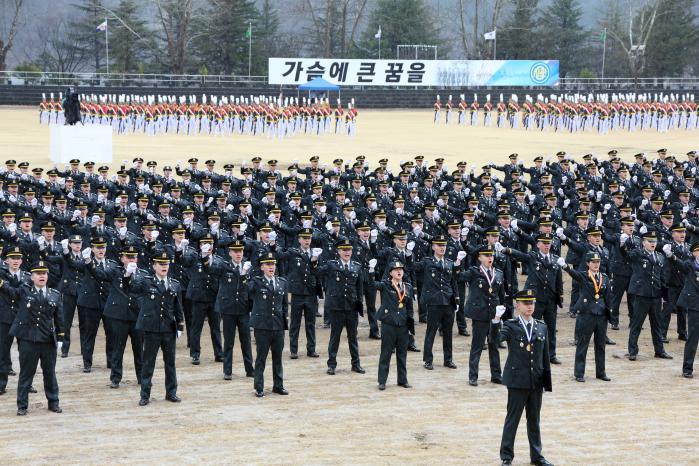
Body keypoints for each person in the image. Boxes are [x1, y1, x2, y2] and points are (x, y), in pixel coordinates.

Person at [491, 289, 553, 466]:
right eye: (526, 303)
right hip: (517, 381)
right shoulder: (511, 325)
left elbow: (545, 356)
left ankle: (537, 455)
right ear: (517, 305)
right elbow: (495, 341)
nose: (529, 307)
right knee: (513, 420)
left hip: (536, 381)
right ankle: (506, 456)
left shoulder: (541, 326)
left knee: (534, 420)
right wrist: (496, 320)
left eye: (532, 303)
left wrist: (546, 382)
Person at [1, 261, 64, 416]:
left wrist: (62, 337)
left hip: (48, 340)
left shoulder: (55, 295)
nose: (41, 276)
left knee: (50, 373)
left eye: (44, 274)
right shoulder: (24, 290)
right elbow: (10, 291)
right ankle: (22, 405)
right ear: (32, 277)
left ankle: (53, 402)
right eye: (38, 274)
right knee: (26, 374)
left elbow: (60, 318)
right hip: (29, 339)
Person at [132, 252, 185, 406]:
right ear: (154, 266)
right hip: (152, 328)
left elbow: (178, 306)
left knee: (170, 362)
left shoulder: (174, 284)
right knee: (148, 363)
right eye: (160, 264)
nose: (164, 267)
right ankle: (145, 395)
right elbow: (133, 289)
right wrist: (129, 274)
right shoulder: (146, 282)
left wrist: (180, 325)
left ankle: (171, 392)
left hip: (168, 328)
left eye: (166, 264)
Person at [558, 252, 612, 382]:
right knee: (583, 344)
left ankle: (601, 372)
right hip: (587, 314)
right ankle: (579, 373)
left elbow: (608, 297)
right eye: (593, 262)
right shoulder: (583, 275)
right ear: (588, 263)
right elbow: (573, 273)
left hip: (601, 315)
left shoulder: (604, 277)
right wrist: (565, 266)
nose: (596, 264)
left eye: (598, 262)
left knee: (601, 345)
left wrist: (609, 314)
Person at [315, 239, 365, 375]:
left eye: (349, 249)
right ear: (338, 251)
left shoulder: (356, 266)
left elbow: (359, 289)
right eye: (344, 249)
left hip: (352, 307)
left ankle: (356, 364)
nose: (347, 252)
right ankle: (331, 365)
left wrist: (360, 305)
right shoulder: (332, 265)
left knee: (353, 337)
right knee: (335, 337)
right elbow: (318, 272)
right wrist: (314, 259)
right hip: (336, 307)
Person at [208, 240, 255, 380]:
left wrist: (245, 276)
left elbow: (251, 287)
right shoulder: (224, 266)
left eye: (240, 251)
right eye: (235, 251)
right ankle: (227, 370)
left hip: (243, 308)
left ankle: (249, 369)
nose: (238, 254)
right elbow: (210, 269)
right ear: (230, 253)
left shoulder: (248, 266)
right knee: (228, 342)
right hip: (228, 309)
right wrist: (206, 256)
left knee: (246, 341)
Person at [459, 245, 505, 386]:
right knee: (477, 347)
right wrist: (457, 263)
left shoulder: (498, 273)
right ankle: (473, 376)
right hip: (480, 315)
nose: (490, 258)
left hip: (494, 315)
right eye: (486, 256)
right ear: (480, 258)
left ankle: (496, 375)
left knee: (494, 346)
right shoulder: (474, 272)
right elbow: (458, 277)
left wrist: (501, 311)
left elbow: (500, 294)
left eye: (491, 255)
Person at [623, 230, 672, 360]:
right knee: (637, 324)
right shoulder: (638, 254)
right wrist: (623, 244)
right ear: (643, 242)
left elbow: (662, 277)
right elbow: (626, 255)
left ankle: (659, 350)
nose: (652, 244)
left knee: (657, 325)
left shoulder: (660, 256)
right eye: (650, 241)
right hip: (641, 295)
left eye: (654, 241)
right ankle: (633, 351)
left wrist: (665, 294)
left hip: (655, 295)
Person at [415, 235, 459, 370]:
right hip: (434, 302)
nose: (442, 248)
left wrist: (456, 299)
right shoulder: (427, 261)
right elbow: (413, 267)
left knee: (448, 332)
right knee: (431, 331)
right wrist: (408, 254)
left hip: (448, 301)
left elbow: (453, 282)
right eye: (439, 245)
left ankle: (448, 359)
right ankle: (428, 359)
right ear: (433, 247)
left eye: (444, 245)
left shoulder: (449, 262)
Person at [248, 253, 289, 397]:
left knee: (278, 357)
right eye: (268, 264)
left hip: (278, 325)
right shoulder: (256, 282)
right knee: (261, 358)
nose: (271, 267)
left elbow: (284, 305)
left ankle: (278, 385)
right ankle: (259, 386)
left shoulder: (282, 282)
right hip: (262, 326)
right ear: (262, 267)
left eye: (273, 264)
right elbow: (249, 291)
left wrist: (284, 322)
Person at [370, 260, 413, 390]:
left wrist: (410, 327)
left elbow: (409, 308)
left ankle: (402, 380)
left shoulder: (407, 286)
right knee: (386, 353)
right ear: (390, 273)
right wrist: (371, 271)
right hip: (389, 323)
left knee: (402, 354)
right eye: (396, 270)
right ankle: (382, 381)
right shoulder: (386, 285)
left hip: (403, 324)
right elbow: (372, 284)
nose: (399, 271)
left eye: (401, 270)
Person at [665, 242, 699, 378]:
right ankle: (687, 368)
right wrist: (670, 255)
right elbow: (679, 264)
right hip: (695, 306)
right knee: (692, 338)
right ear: (694, 253)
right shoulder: (690, 265)